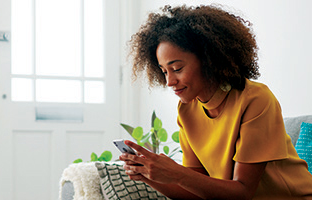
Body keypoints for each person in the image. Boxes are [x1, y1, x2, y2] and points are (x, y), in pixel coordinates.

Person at [119, 4, 312, 199]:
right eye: (164, 71)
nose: (169, 81)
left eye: (176, 68)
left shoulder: (255, 99)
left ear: (208, 60)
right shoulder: (187, 110)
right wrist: (147, 175)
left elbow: (243, 192)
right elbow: (196, 192)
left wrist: (176, 173)